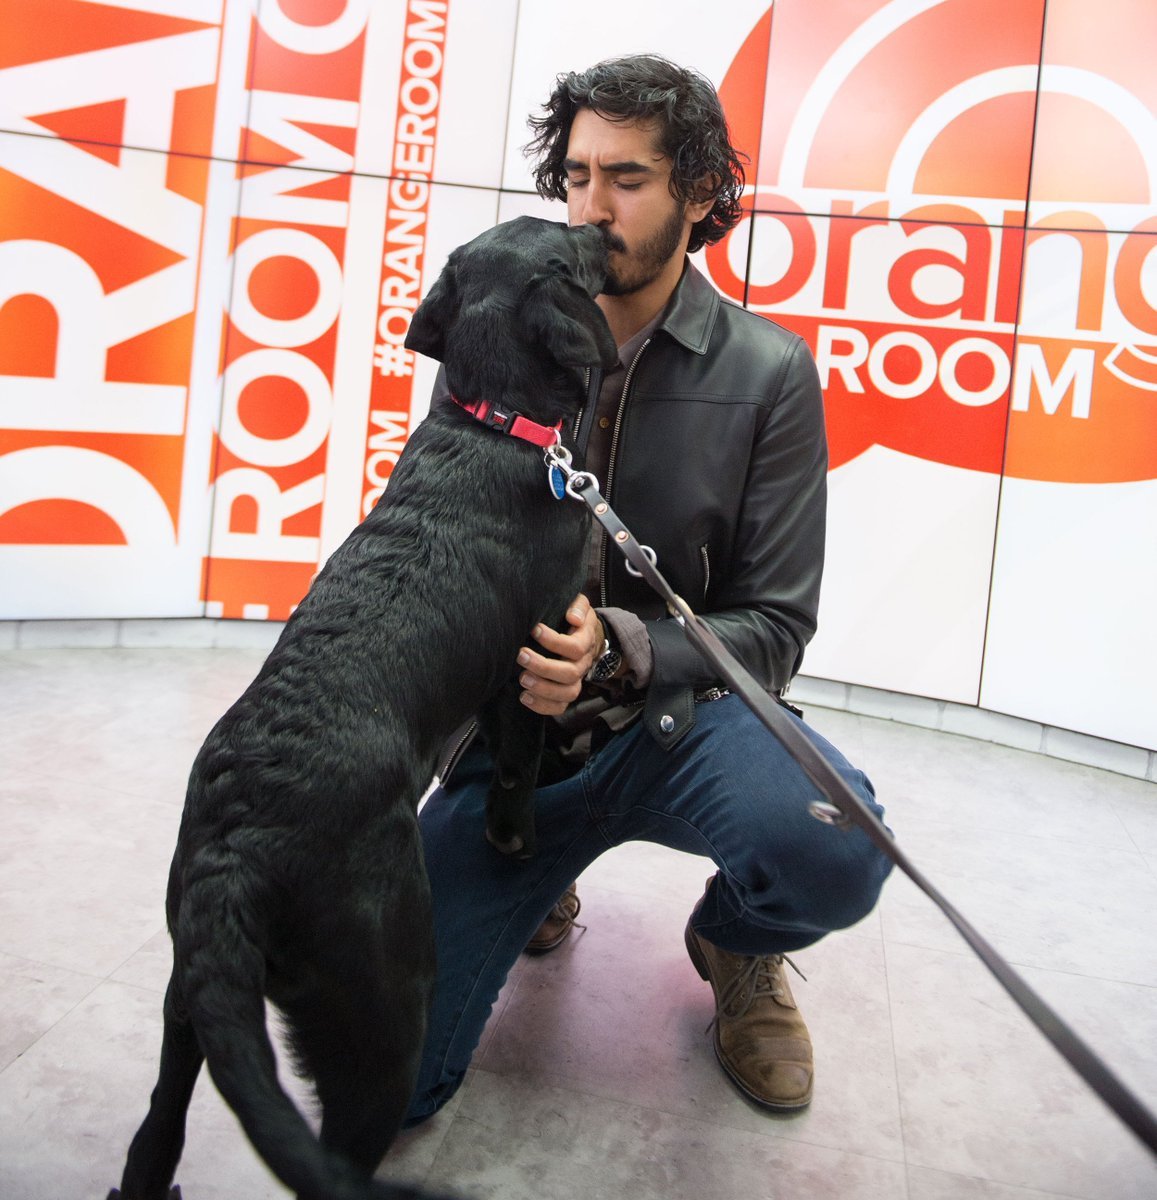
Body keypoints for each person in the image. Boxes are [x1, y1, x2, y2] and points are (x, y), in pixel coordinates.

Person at [405, 54, 891, 1125]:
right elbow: (426, 544)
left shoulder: (768, 371)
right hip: (513, 746)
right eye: (574, 176)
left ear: (701, 191)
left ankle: (737, 939)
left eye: (624, 179)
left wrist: (621, 643)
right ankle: (529, 877)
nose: (589, 207)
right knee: (386, 1090)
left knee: (836, 844)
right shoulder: (496, 335)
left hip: (684, 722)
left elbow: (773, 626)